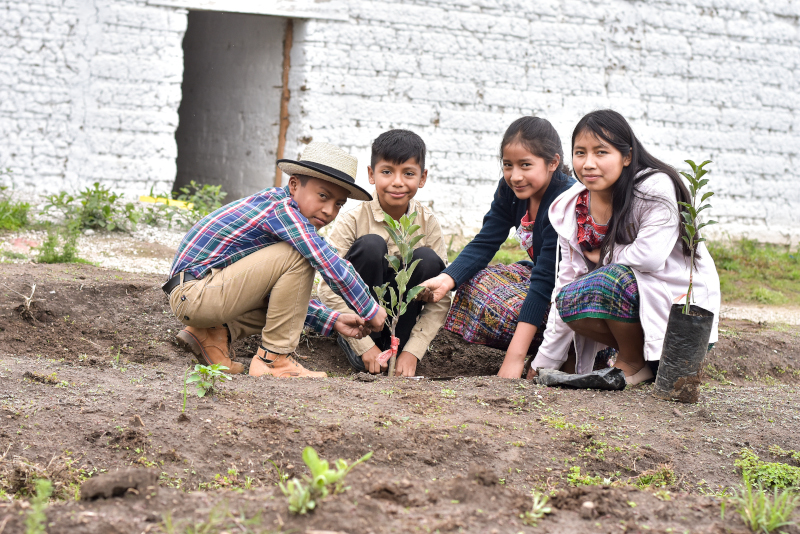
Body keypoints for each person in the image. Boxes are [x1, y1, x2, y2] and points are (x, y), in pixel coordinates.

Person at [164, 142, 387, 378]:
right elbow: (325, 259)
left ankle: (210, 335)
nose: (329, 210)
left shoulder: (284, 217)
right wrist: (369, 307)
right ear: (293, 185)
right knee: (303, 255)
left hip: (201, 294)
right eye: (323, 196)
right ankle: (274, 361)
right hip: (195, 294)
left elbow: (282, 300)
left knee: (296, 261)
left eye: (338, 204)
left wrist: (331, 320)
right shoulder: (281, 210)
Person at [529, 109, 720, 384]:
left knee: (608, 280)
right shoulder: (571, 208)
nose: (588, 163)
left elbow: (650, 257)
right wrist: (543, 362)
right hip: (632, 312)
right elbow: (566, 280)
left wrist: (605, 254)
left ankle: (633, 360)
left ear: (627, 156)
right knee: (568, 298)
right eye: (580, 152)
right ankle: (641, 360)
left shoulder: (653, 187)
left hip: (682, 319)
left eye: (601, 152)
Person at [419, 117, 575, 378]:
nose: (515, 176)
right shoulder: (510, 191)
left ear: (552, 163)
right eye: (508, 165)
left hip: (571, 296)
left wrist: (513, 360)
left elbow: (545, 281)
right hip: (544, 282)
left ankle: (565, 349)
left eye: (526, 165)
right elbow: (486, 241)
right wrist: (447, 280)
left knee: (506, 306)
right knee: (472, 281)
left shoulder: (563, 202)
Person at [318, 129, 448, 377]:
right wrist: (363, 345)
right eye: (387, 171)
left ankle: (396, 347)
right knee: (371, 245)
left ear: (422, 178)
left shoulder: (427, 222)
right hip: (362, 328)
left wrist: (413, 350)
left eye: (408, 173)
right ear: (371, 174)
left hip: (403, 328)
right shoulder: (353, 220)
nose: (397, 182)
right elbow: (327, 285)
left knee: (428, 259)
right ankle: (361, 342)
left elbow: (440, 297)